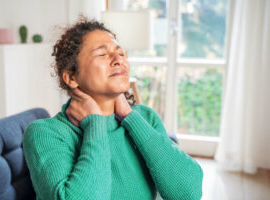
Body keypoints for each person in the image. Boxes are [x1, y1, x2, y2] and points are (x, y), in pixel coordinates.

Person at [23, 17, 203, 200]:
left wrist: (130, 117)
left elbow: (188, 194)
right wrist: (94, 123)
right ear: (71, 77)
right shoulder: (46, 133)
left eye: (121, 53)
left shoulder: (145, 118)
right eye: (102, 54)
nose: (118, 60)